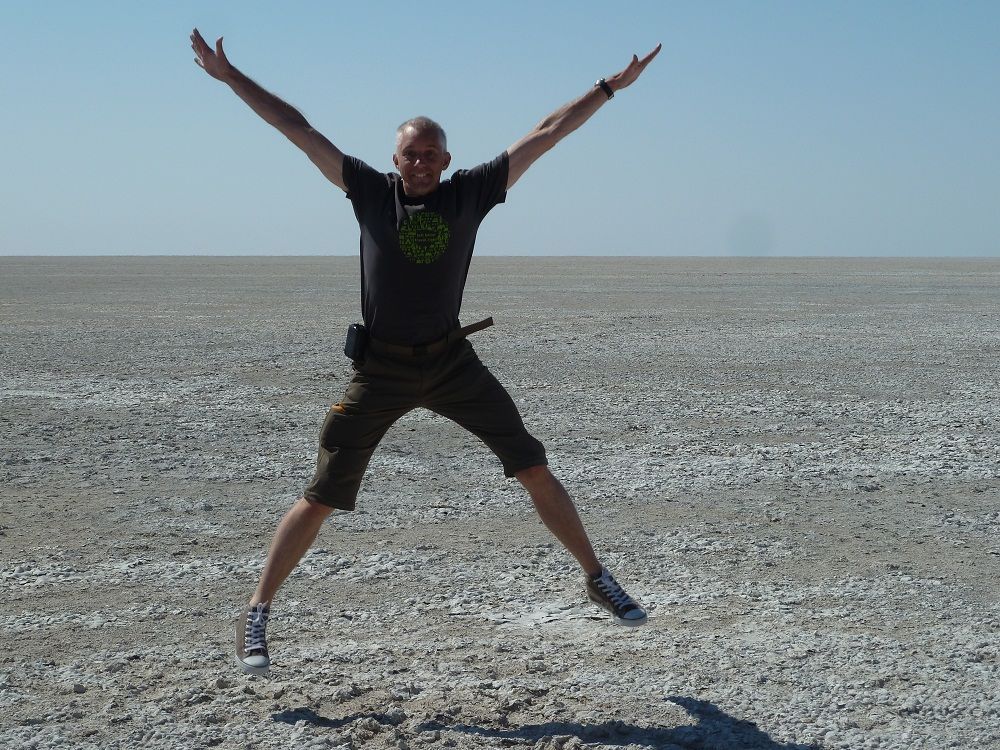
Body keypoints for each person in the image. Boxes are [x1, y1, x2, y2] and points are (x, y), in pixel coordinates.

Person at [190, 28, 661, 675]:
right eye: (411, 154)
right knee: (323, 493)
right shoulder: (367, 191)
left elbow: (548, 132)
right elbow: (296, 127)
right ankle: (257, 612)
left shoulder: (470, 192)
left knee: (531, 465)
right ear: (395, 157)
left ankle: (596, 577)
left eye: (431, 154)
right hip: (380, 368)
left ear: (445, 159)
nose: (420, 163)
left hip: (450, 363)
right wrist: (230, 76)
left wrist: (609, 87)